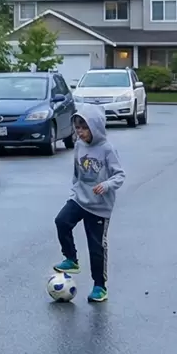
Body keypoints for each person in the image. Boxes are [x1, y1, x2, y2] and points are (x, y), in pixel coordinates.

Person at [52, 106, 125, 303]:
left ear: (95, 127)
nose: (80, 132)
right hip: (80, 198)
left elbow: (120, 175)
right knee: (61, 221)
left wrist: (106, 184)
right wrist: (75, 189)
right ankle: (71, 259)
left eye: (84, 128)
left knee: (96, 247)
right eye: (77, 128)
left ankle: (100, 287)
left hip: (100, 205)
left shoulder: (107, 149)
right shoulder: (79, 146)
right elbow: (77, 172)